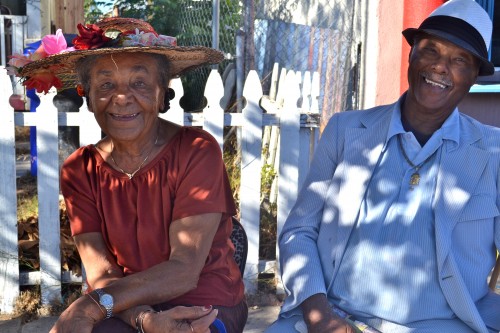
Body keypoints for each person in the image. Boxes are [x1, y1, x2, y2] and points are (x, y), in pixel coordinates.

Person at [265, 0, 500, 332]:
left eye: (459, 60)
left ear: (474, 75)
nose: (439, 67)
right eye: (430, 50)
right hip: (336, 315)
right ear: (412, 54)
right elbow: (299, 232)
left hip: (443, 325)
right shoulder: (347, 131)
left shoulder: (493, 151)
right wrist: (318, 315)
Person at [9, 17, 247, 333]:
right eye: (106, 84)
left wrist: (89, 306)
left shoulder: (196, 150)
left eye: (139, 83)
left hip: (203, 302)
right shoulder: (80, 170)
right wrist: (142, 319)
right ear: (88, 96)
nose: (121, 98)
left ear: (162, 94)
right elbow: (101, 270)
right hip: (124, 304)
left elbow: (184, 269)